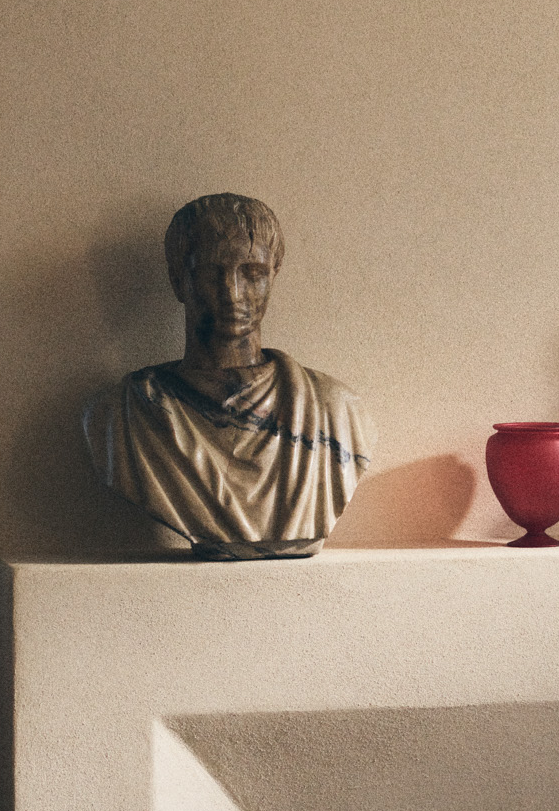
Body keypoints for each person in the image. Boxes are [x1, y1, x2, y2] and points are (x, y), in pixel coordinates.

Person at [82, 194, 372, 556]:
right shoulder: (122, 416)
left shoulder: (335, 410)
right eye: (209, 273)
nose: (233, 294)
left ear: (274, 275)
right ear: (177, 279)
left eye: (253, 274)